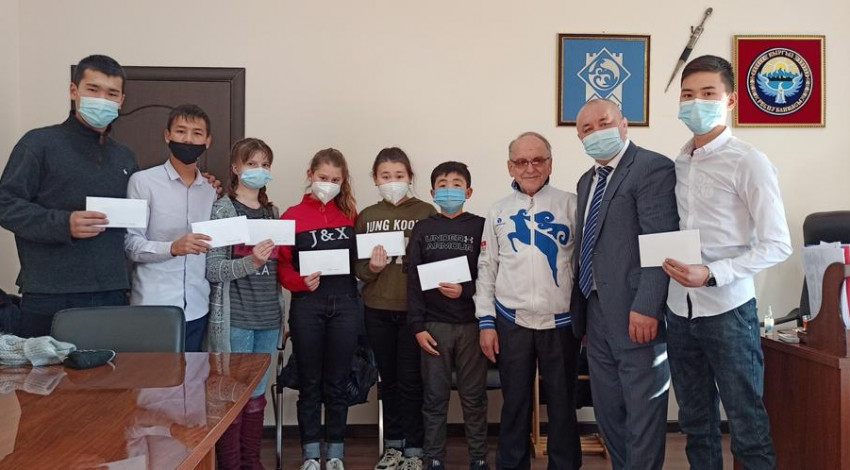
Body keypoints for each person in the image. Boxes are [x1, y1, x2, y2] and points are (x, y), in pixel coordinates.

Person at [662, 55, 792, 470]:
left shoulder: (748, 161)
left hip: (729, 310)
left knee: (746, 423)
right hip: (679, 310)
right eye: (687, 95)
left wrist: (714, 274)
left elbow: (778, 244)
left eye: (707, 94)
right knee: (695, 424)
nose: (695, 103)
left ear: (730, 100)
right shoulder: (679, 161)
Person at [569, 99, 679, 470]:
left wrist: (648, 306)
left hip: (636, 309)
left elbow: (661, 243)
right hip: (595, 310)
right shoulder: (586, 181)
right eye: (587, 129)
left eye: (604, 123)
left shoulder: (651, 168)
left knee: (643, 410)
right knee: (608, 410)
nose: (596, 133)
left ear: (624, 124)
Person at [0, 54, 135, 338]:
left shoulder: (125, 156)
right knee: (46, 368)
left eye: (111, 93)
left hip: (111, 291)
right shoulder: (38, 143)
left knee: (111, 367)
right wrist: (64, 223)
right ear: (74, 91)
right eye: (93, 89)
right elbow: (5, 204)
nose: (102, 99)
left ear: (121, 100)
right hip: (50, 293)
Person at [476, 132, 581, 470]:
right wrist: (486, 322)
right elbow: (487, 268)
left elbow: (585, 266)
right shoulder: (498, 211)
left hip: (561, 322)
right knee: (515, 404)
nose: (530, 168)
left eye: (538, 160)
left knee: (563, 404)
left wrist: (587, 320)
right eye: (521, 161)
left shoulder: (572, 205)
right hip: (512, 321)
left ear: (550, 163)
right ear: (510, 167)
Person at [355, 148, 436, 470]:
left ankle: (414, 450)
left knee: (411, 381)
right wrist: (372, 269)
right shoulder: (367, 216)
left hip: (413, 312)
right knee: (388, 380)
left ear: (410, 177)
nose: (392, 182)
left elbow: (435, 261)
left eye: (399, 175)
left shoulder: (426, 212)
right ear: (375, 179)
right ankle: (393, 447)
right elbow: (357, 269)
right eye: (385, 176)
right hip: (376, 309)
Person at [278, 148, 360, 470]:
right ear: (310, 175)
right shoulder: (291, 216)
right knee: (310, 383)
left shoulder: (351, 214)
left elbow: (360, 262)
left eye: (335, 180)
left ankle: (336, 455)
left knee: (338, 382)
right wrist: (299, 283)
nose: (328, 184)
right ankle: (311, 456)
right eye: (323, 177)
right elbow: (282, 266)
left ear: (343, 181)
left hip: (346, 304)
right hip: (307, 306)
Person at [406, 162, 488, 470]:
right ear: (432, 192)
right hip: (434, 327)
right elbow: (413, 281)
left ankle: (478, 458)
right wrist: (417, 326)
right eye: (443, 184)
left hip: (471, 325)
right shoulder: (423, 228)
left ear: (469, 191)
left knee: (474, 397)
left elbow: (491, 276)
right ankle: (434, 457)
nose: (449, 189)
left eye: (456, 184)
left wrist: (465, 291)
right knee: (434, 397)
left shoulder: (481, 226)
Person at [206, 138, 282, 469]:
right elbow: (213, 270)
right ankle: (231, 464)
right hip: (235, 318)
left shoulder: (272, 213)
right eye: (252, 164)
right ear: (236, 168)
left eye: (265, 164)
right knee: (231, 395)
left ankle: (252, 462)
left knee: (257, 395)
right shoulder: (224, 209)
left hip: (268, 318)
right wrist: (251, 262)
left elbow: (279, 269)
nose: (259, 170)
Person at [124, 104, 217, 353]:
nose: (188, 139)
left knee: (193, 374)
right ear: (167, 135)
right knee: (152, 377)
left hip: (198, 306)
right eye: (181, 131)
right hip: (154, 306)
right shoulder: (143, 182)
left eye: (197, 133)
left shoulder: (210, 190)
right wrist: (173, 247)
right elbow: (130, 245)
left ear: (207, 141)